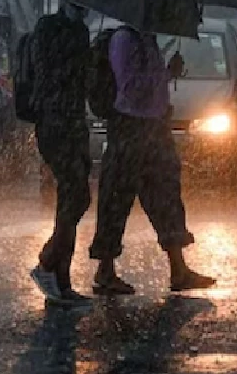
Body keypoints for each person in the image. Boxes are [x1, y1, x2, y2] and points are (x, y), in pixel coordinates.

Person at [89, 27, 216, 295]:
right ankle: (105, 269)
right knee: (116, 199)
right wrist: (161, 75)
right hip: (130, 128)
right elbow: (131, 87)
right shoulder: (124, 40)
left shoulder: (148, 40)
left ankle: (178, 269)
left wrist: (169, 72)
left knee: (166, 196)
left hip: (155, 127)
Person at [27, 0, 93, 305]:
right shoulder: (47, 28)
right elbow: (51, 72)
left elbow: (84, 81)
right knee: (75, 193)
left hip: (76, 122)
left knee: (74, 198)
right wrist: (80, 57)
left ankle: (60, 278)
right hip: (54, 122)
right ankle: (48, 263)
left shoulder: (80, 31)